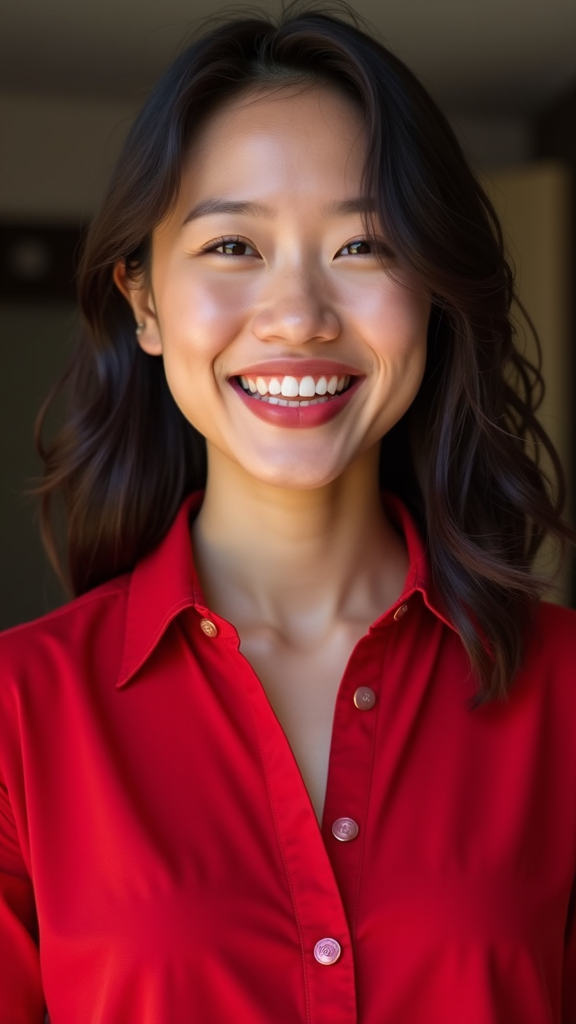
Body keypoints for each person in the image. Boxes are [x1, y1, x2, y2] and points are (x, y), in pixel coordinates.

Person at [1, 6, 575, 1023]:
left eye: (364, 245)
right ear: (142, 300)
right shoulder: (17, 715)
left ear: (434, 293)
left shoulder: (565, 694)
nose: (301, 314)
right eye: (232, 244)